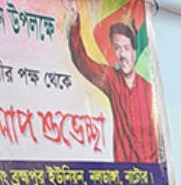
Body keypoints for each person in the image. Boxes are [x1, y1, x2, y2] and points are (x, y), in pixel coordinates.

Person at [64, 0, 159, 163]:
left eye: (126, 48)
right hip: (124, 173)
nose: (122, 55)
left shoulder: (149, 91)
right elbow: (82, 60)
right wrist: (74, 17)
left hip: (151, 173)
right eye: (117, 48)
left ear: (134, 51)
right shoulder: (112, 79)